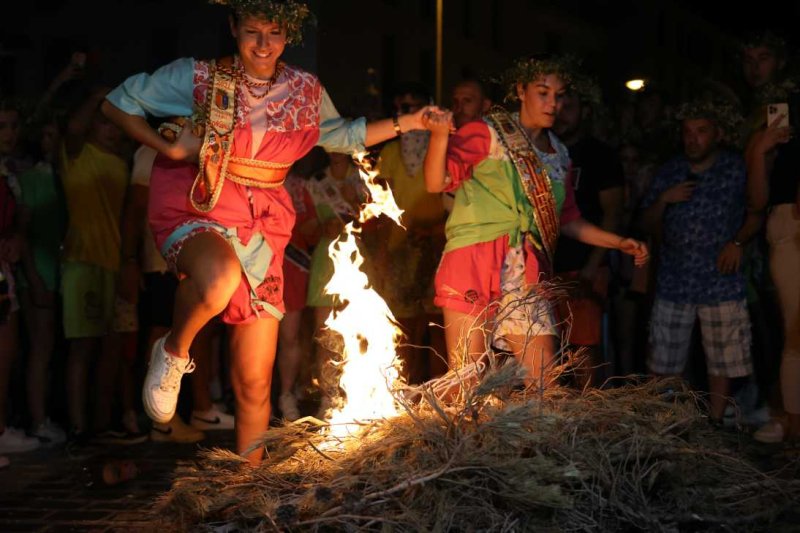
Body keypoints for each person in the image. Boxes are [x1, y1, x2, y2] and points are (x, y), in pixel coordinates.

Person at [101, 0, 438, 465]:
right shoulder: (199, 78)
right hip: (202, 204)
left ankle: (247, 488)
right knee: (218, 279)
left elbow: (342, 135)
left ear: (288, 34)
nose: (263, 44)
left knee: (255, 382)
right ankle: (173, 350)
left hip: (264, 224)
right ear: (234, 27)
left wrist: (411, 122)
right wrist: (169, 148)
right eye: (252, 31)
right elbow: (117, 103)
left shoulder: (303, 89)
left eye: (274, 33)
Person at [423, 55, 649, 388]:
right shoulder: (487, 133)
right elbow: (435, 182)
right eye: (543, 92)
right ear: (521, 90)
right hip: (473, 261)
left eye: (560, 95)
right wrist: (440, 137)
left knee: (544, 384)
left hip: (526, 271)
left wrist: (617, 242)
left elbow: (568, 219)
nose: (553, 103)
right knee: (468, 384)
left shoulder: (559, 153)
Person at [641, 99, 757, 425]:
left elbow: (757, 212)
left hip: (720, 279)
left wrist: (738, 242)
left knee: (724, 357)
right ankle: (665, 421)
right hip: (675, 278)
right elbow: (645, 222)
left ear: (717, 134)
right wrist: (665, 199)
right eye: (688, 132)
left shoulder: (735, 168)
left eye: (701, 131)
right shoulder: (671, 171)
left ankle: (716, 421)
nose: (693, 139)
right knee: (663, 357)